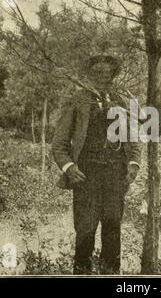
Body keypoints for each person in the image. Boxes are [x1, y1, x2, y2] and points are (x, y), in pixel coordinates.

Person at [52, 55, 141, 274]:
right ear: (90, 75)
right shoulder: (78, 101)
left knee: (112, 226)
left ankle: (111, 273)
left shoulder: (121, 102)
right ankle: (82, 273)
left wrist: (133, 163)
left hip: (114, 176)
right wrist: (69, 168)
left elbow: (132, 137)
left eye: (108, 73)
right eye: (98, 72)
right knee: (86, 229)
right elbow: (59, 143)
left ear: (112, 76)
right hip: (86, 175)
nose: (103, 77)